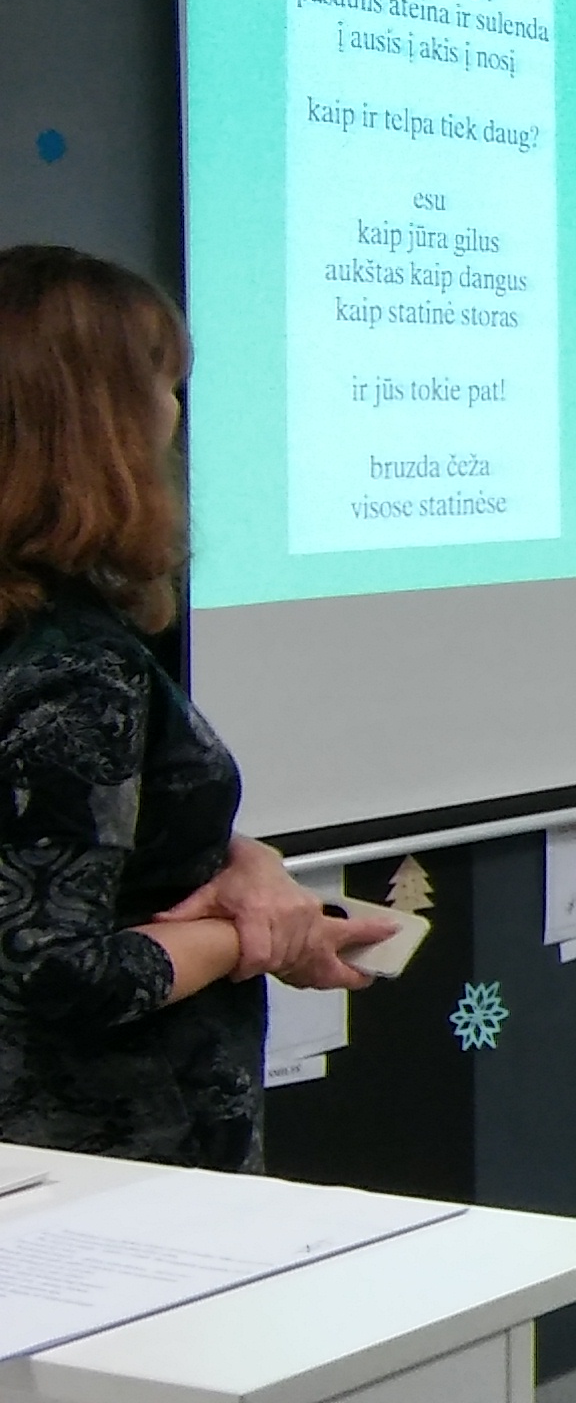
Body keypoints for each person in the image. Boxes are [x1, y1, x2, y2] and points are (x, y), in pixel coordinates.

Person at [0, 245, 388, 1171]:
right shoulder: (76, 668)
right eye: (164, 385)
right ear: (99, 422)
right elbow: (55, 970)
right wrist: (251, 937)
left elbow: (45, 832)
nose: (176, 416)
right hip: (100, 1162)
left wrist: (245, 864)